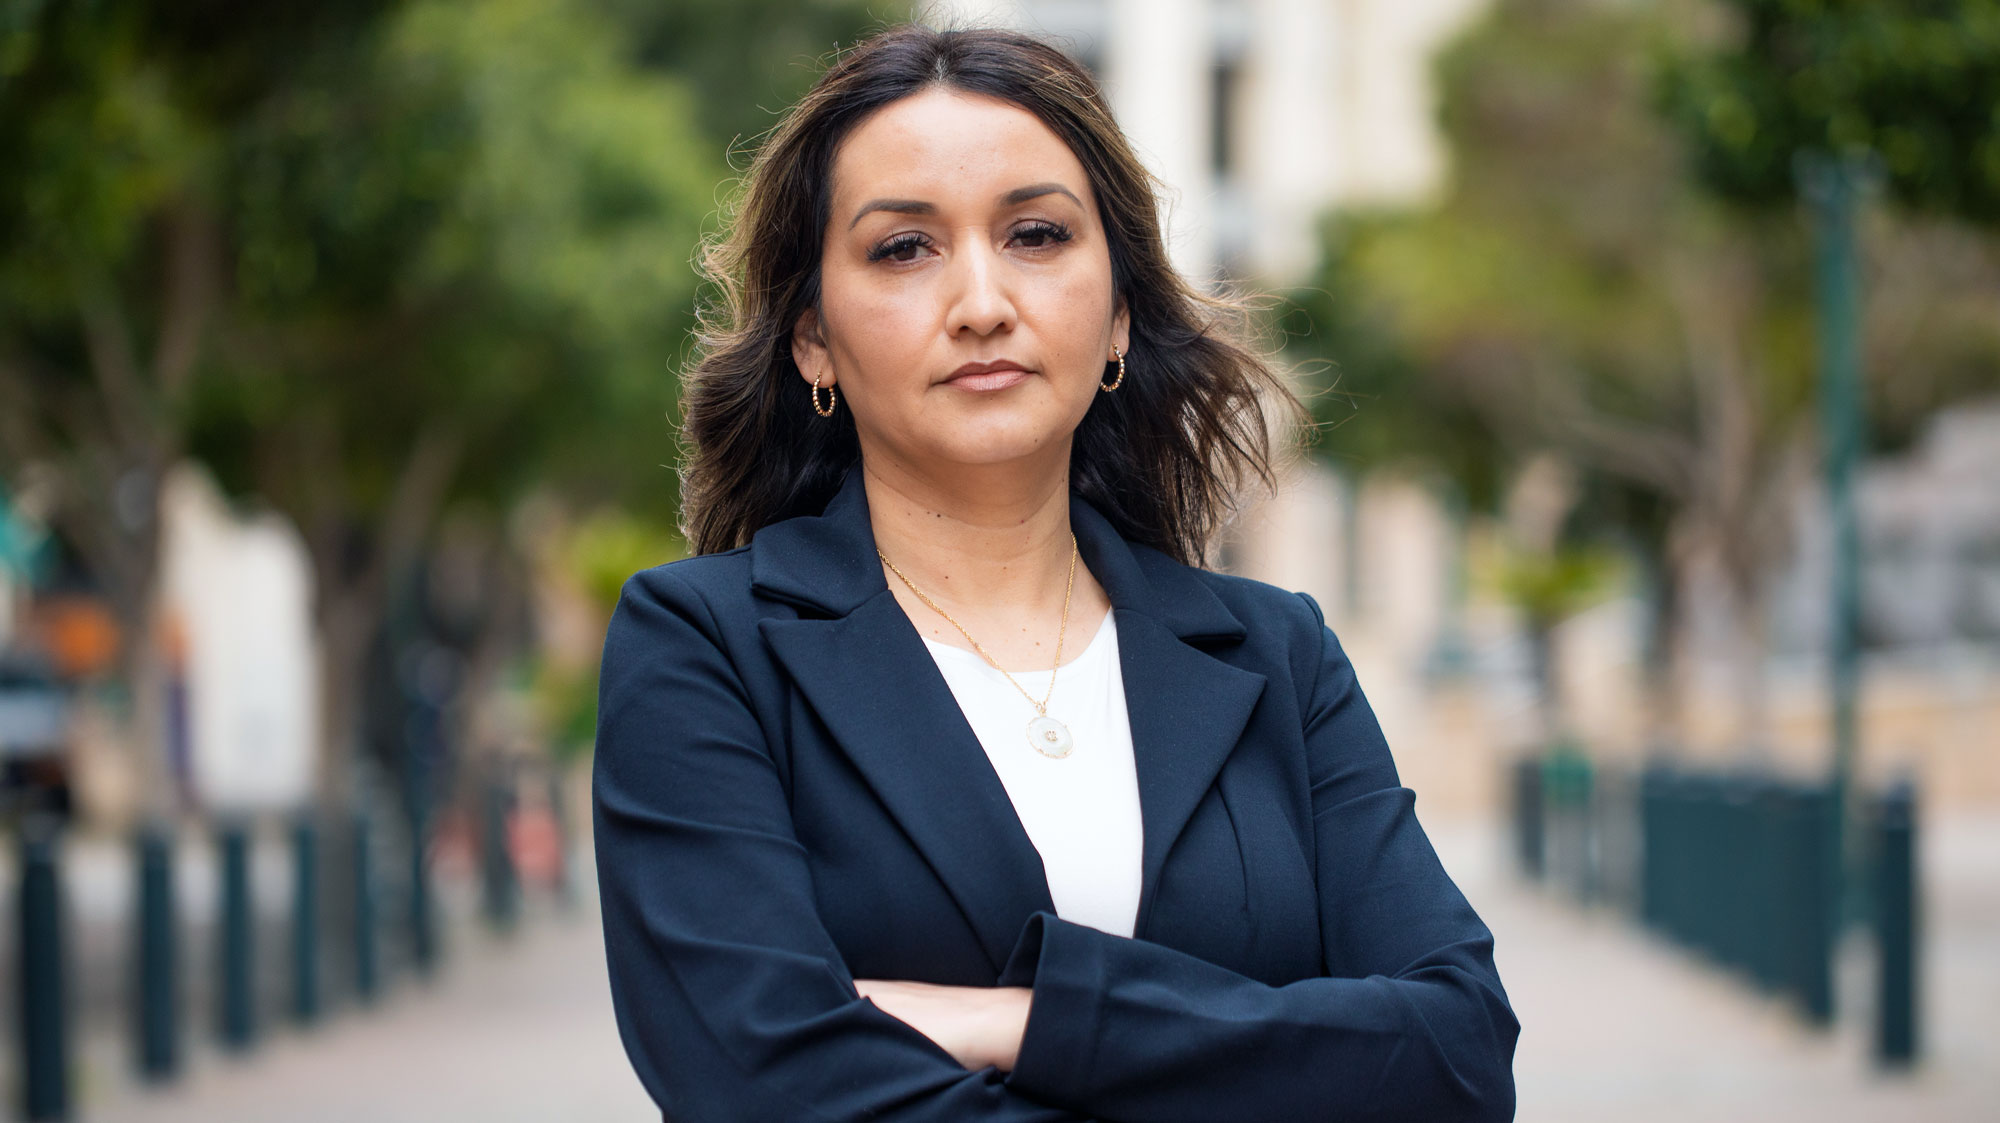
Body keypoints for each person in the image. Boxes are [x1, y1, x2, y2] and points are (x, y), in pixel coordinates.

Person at [592, 22, 1518, 1123]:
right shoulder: (704, 649)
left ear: (1119, 310)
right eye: (903, 248)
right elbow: (763, 1084)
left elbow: (1454, 1058)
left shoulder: (1278, 655)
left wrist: (1023, 1020)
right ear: (811, 342)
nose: (982, 302)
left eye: (1035, 234)